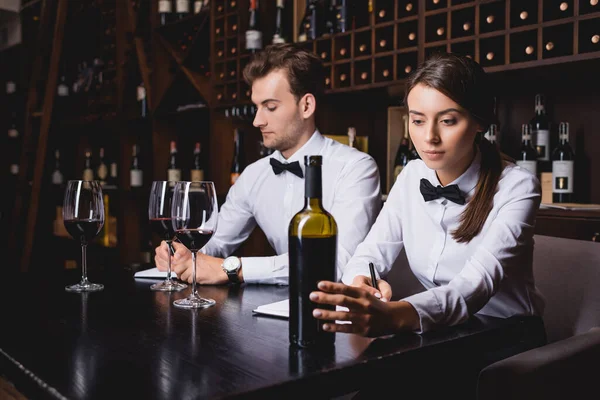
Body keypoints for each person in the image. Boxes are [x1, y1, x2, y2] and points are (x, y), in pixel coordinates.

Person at [310, 53, 545, 337]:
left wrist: (399, 314)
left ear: (480, 122)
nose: (429, 137)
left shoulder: (517, 186)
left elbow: (476, 285)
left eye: (447, 121)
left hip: (508, 335)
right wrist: (361, 282)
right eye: (418, 121)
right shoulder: (411, 176)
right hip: (443, 329)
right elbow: (369, 253)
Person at [154, 43, 382, 285]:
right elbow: (215, 240)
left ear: (306, 106)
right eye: (256, 107)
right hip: (278, 308)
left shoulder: (356, 168)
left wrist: (233, 268)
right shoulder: (254, 175)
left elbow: (337, 263)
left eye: (270, 107)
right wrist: (181, 252)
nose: (256, 121)